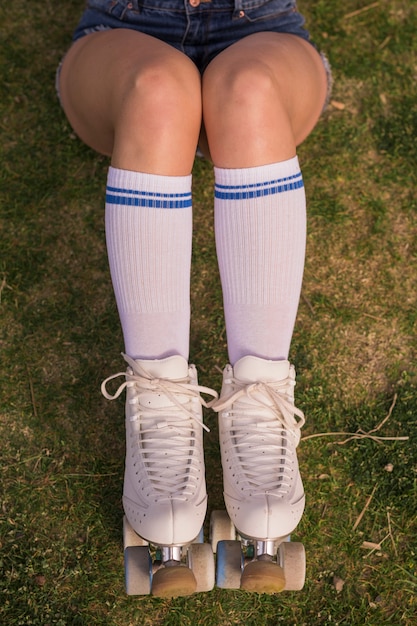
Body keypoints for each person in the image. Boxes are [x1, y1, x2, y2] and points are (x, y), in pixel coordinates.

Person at [57, 0, 331, 596]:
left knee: (249, 88)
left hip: (262, 30)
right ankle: (158, 402)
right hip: (124, 31)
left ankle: (261, 392)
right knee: (160, 90)